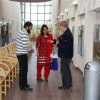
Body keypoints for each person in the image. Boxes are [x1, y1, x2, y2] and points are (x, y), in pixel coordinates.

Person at [16, 21, 33, 91]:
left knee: (22, 70)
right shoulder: (23, 34)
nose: (31, 29)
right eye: (31, 27)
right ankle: (23, 86)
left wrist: (28, 49)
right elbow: (24, 45)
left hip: (20, 53)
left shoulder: (23, 32)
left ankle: (22, 84)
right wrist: (30, 49)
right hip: (22, 54)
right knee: (24, 70)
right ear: (27, 26)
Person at [57, 21, 73, 90]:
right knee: (67, 70)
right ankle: (69, 83)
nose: (60, 28)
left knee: (64, 70)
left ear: (63, 26)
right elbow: (64, 42)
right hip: (67, 55)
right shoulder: (67, 33)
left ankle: (65, 85)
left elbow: (66, 47)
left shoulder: (67, 35)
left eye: (60, 27)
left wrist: (58, 44)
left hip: (65, 55)